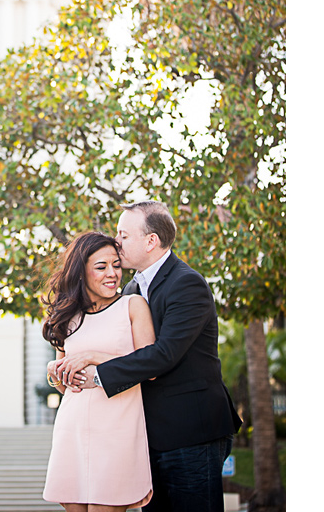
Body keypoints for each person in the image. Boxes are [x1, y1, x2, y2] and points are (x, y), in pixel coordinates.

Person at [55, 201, 242, 512]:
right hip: (147, 434)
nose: (116, 242)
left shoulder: (187, 283)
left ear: (151, 240)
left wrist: (95, 372)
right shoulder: (130, 289)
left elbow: (164, 354)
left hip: (191, 432)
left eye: (123, 235)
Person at [41, 231, 156, 512]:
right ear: (81, 272)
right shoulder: (67, 315)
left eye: (116, 265)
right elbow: (64, 384)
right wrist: (55, 372)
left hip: (118, 429)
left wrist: (93, 357)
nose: (113, 274)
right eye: (101, 267)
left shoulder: (133, 305)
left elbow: (149, 365)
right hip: (73, 425)